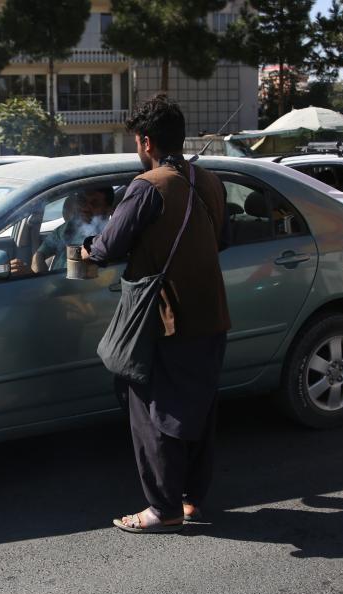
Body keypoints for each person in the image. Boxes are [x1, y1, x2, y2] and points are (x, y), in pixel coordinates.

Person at [82, 94, 230, 534]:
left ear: (146, 141)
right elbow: (220, 240)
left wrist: (87, 249)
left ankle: (162, 509)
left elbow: (108, 247)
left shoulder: (148, 186)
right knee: (197, 409)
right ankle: (191, 500)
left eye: (136, 141)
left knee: (152, 412)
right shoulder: (210, 182)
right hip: (212, 314)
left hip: (168, 320)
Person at [16, 187, 114, 275]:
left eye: (94, 204)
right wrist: (41, 278)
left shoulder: (108, 238)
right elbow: (39, 254)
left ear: (108, 209)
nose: (85, 208)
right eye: (83, 201)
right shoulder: (70, 227)